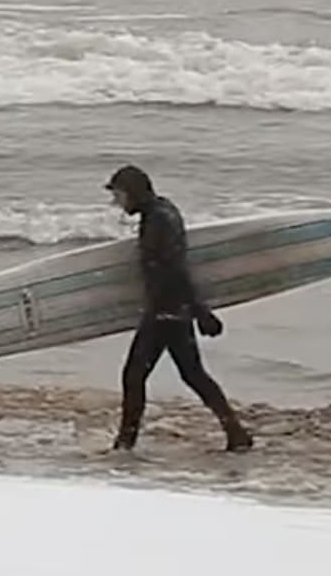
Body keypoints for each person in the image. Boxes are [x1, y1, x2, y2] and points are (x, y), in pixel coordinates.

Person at [105, 164, 253, 453]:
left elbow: (174, 269)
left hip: (166, 310)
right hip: (172, 308)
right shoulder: (162, 211)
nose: (117, 203)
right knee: (192, 374)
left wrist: (200, 311)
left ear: (133, 192)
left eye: (119, 195)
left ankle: (125, 443)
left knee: (135, 375)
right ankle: (236, 433)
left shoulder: (158, 219)